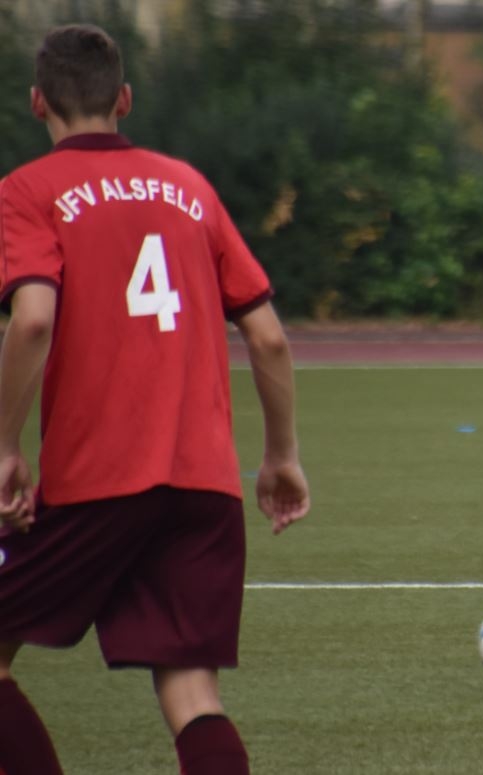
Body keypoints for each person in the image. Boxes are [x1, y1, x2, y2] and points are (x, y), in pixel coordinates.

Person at [0, 24, 309, 775]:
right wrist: (280, 455)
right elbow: (268, 338)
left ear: (38, 102)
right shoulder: (189, 187)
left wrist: (5, 444)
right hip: (203, 484)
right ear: (125, 100)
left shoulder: (28, 191)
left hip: (98, 479)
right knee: (191, 690)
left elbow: (32, 319)